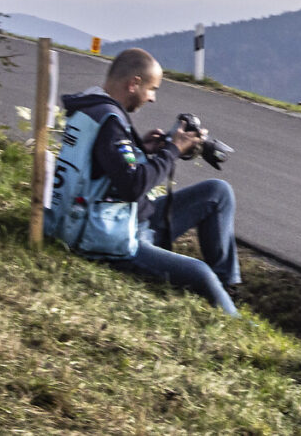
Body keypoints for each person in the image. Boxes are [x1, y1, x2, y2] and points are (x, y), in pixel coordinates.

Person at [49, 48, 241, 315]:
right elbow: (132, 185)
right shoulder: (110, 122)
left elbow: (107, 164)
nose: (152, 98)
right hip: (109, 238)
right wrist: (172, 150)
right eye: (152, 89)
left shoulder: (92, 108)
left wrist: (143, 147)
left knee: (217, 193)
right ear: (134, 83)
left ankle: (227, 291)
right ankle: (235, 319)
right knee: (200, 272)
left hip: (121, 218)